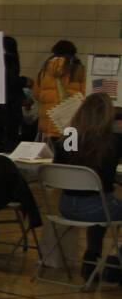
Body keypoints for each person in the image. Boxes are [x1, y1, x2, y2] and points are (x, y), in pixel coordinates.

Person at [54, 92, 121, 282]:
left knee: (101, 203)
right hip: (97, 207)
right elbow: (107, 177)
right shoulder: (111, 140)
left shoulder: (70, 134)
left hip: (66, 206)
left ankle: (92, 257)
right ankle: (114, 261)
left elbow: (60, 163)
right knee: (104, 204)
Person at [32, 40, 87, 140]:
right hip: (69, 121)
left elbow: (36, 94)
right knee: (69, 152)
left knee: (49, 153)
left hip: (48, 121)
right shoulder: (78, 69)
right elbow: (85, 93)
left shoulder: (44, 70)